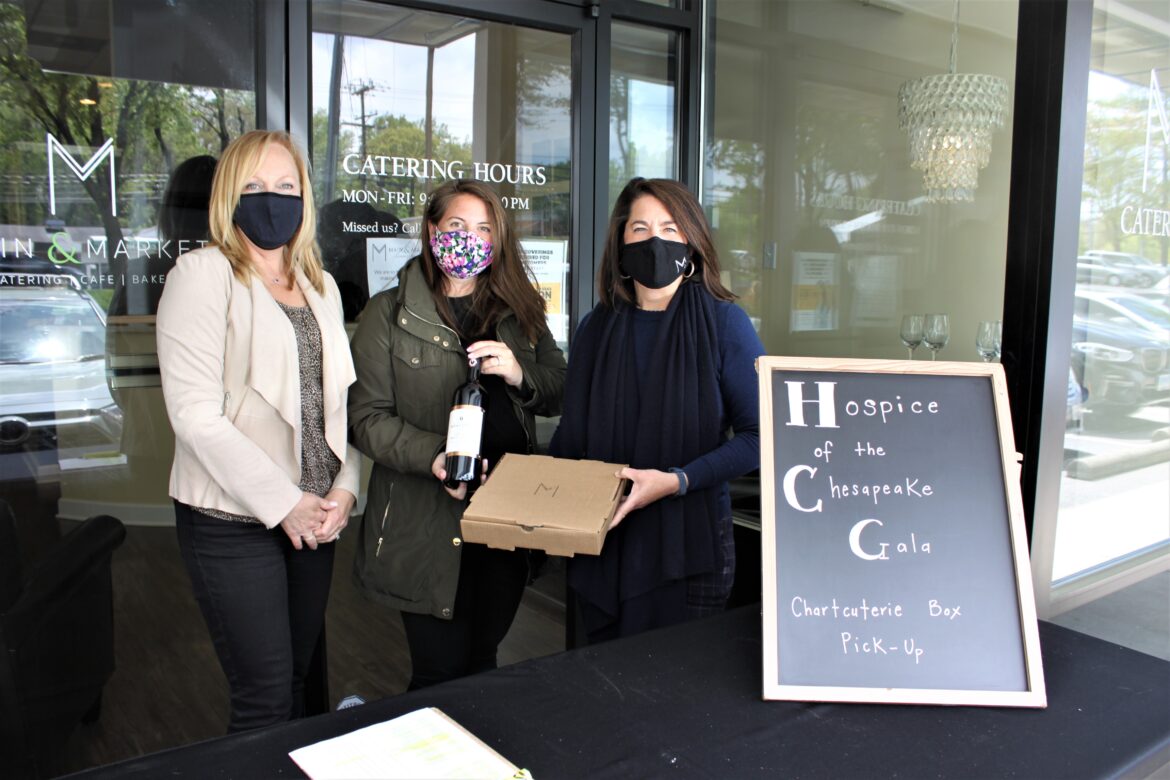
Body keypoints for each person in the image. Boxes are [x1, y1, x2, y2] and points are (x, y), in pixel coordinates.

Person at [156, 130, 359, 731]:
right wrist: (284, 503)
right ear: (227, 196)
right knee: (265, 698)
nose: (271, 199)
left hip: (314, 519)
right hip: (231, 523)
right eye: (253, 186)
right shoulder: (202, 274)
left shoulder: (318, 285)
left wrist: (345, 488)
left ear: (304, 197)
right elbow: (194, 415)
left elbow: (336, 406)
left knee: (296, 681)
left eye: (285, 186)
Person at [348, 178, 566, 689]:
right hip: (424, 522)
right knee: (438, 672)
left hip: (505, 516)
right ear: (432, 230)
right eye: (458, 226)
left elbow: (559, 390)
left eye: (484, 229)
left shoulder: (522, 309)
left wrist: (518, 372)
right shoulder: (388, 313)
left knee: (483, 661)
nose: (470, 238)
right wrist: (434, 456)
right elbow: (366, 418)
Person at [549, 177, 765, 643]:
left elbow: (759, 437)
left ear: (692, 240)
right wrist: (525, 486)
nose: (655, 241)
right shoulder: (595, 327)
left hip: (688, 553)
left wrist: (676, 481)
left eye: (670, 229)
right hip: (601, 543)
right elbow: (571, 435)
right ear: (621, 243)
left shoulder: (724, 323)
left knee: (672, 697)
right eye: (640, 229)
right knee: (599, 691)